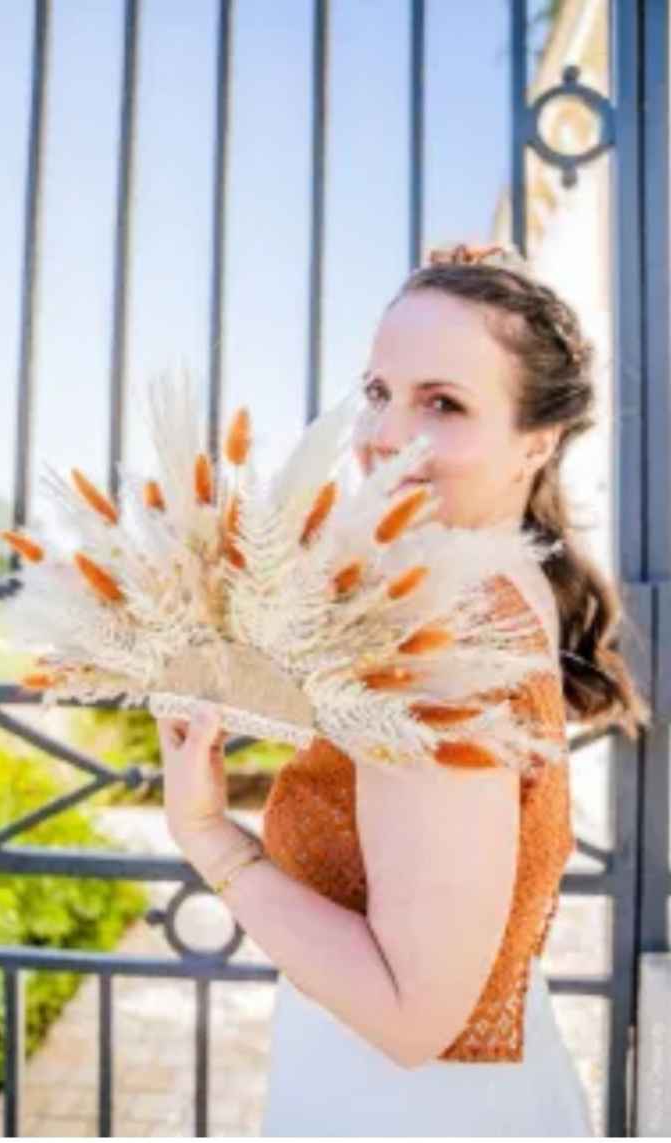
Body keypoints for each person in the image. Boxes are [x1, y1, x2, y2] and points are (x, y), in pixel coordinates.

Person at [156, 241, 651, 1137]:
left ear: (534, 443)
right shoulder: (500, 583)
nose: (386, 435)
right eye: (380, 392)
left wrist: (209, 837)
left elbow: (410, 1013)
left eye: (444, 404)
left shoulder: (446, 618)